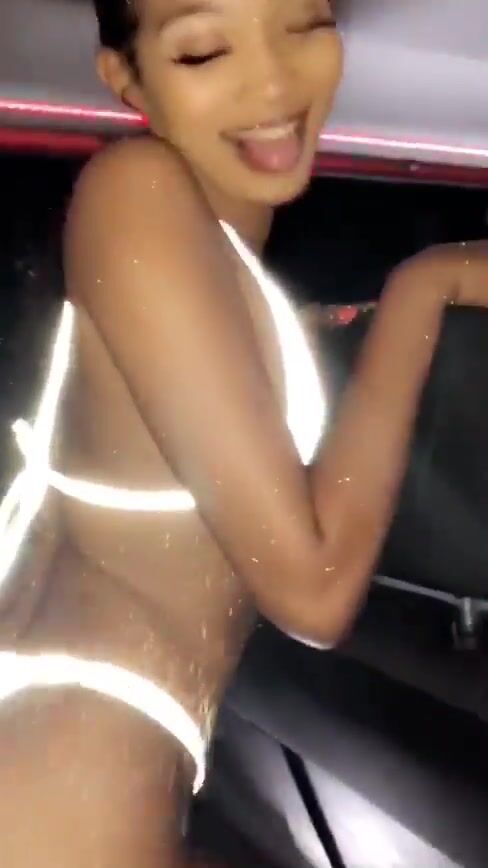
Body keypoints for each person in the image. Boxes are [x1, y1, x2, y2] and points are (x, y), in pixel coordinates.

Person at [1, 1, 488, 866]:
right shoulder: (136, 189)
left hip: (90, 756)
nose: (272, 84)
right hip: (66, 771)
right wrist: (426, 287)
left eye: (302, 24)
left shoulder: (205, 250)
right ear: (125, 78)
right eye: (203, 51)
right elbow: (315, 588)